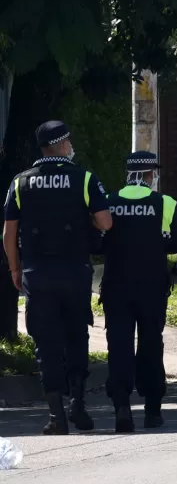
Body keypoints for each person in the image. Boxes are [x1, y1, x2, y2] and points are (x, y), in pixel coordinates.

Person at [1, 121, 112, 434]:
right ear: (63, 145)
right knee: (77, 337)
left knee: (46, 344)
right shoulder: (85, 179)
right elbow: (106, 221)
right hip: (75, 273)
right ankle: (78, 404)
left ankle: (55, 417)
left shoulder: (20, 182)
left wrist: (14, 269)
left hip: (38, 275)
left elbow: (9, 233)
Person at [101, 151, 177, 432]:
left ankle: (122, 406)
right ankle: (153, 410)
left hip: (116, 287)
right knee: (150, 343)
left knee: (119, 344)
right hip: (152, 287)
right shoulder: (165, 204)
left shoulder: (108, 202)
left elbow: (97, 243)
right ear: (150, 175)